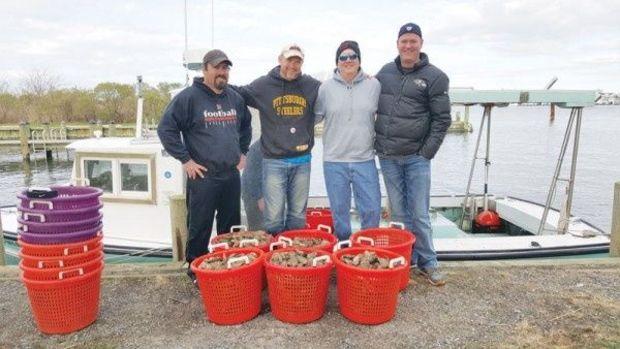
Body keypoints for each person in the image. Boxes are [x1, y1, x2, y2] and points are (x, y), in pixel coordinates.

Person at [157, 49, 251, 284]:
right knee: (200, 224)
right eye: (218, 67)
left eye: (226, 68)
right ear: (205, 69)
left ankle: (227, 264)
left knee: (229, 226)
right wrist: (185, 159)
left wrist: (243, 152)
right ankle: (196, 268)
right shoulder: (189, 98)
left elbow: (246, 126)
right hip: (203, 175)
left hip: (230, 174)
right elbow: (166, 129)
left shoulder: (235, 98)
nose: (223, 72)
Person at [375, 23, 451, 286]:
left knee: (419, 212)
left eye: (413, 41)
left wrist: (426, 152)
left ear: (421, 44)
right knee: (398, 213)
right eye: (404, 41)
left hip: (417, 157)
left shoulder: (435, 76)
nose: (408, 46)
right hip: (388, 155)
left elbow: (442, 120)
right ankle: (405, 261)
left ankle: (429, 263)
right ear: (397, 43)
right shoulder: (384, 73)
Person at [235, 44, 321, 235]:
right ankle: (275, 255)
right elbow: (238, 93)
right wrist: (213, 87)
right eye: (289, 60)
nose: (293, 65)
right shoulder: (264, 85)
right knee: (273, 220)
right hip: (274, 161)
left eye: (297, 61)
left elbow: (334, 90)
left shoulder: (311, 85)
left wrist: (361, 78)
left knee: (297, 217)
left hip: (302, 161)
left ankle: (291, 257)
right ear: (280, 60)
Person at [314, 40, 381, 240]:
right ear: (337, 62)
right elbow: (314, 116)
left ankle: (367, 249)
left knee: (371, 210)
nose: (348, 60)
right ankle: (344, 248)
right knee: (340, 213)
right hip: (334, 161)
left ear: (360, 60)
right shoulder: (325, 88)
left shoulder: (374, 84)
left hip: (365, 159)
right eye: (343, 57)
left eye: (353, 56)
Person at [241, 141, 265, 231]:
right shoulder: (258, 148)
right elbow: (252, 175)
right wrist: (259, 197)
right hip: (253, 195)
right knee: (259, 230)